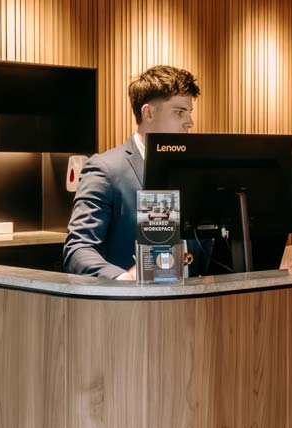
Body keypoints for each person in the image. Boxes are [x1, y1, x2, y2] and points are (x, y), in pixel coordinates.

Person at [64, 65, 199, 279]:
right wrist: (123, 279)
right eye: (179, 112)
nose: (189, 122)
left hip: (197, 303)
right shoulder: (106, 169)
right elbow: (78, 249)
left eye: (189, 112)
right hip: (132, 306)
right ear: (148, 113)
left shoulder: (193, 170)